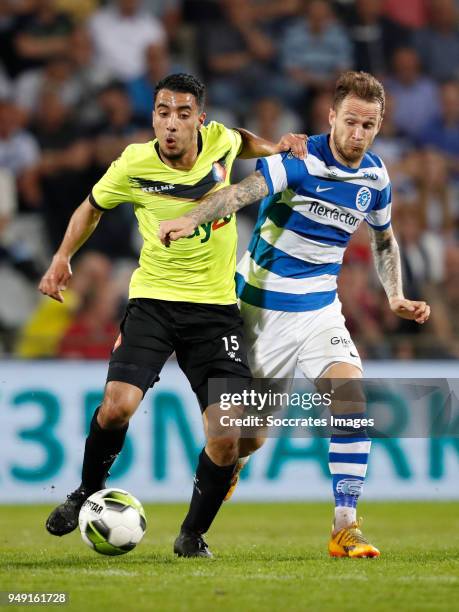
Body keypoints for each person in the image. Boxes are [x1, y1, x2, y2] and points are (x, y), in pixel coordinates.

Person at [159, 71, 431, 558]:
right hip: (255, 312)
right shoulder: (300, 161)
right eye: (350, 122)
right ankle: (221, 481)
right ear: (331, 117)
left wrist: (394, 295)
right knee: (246, 441)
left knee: (350, 395)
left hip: (319, 313)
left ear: (379, 125)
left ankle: (345, 525)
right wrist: (189, 218)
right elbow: (239, 194)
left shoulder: (375, 176)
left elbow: (384, 239)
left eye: (369, 125)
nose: (358, 134)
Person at [38, 73, 307, 558]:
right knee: (117, 405)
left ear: (200, 119)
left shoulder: (220, 141)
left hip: (216, 312)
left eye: (184, 114)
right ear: (154, 117)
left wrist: (274, 147)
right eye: (164, 112)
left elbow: (242, 140)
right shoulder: (134, 163)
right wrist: (62, 257)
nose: (172, 123)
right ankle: (84, 493)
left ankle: (191, 535)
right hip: (153, 304)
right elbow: (91, 207)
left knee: (228, 436)